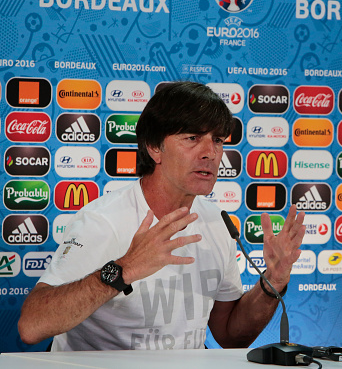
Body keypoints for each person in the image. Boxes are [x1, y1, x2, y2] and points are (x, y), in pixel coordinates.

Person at [18, 81, 306, 351]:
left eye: (217, 140)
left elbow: (230, 335)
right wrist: (124, 269)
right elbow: (31, 326)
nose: (210, 153)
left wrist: (273, 281)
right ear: (154, 147)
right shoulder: (102, 221)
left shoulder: (217, 223)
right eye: (192, 138)